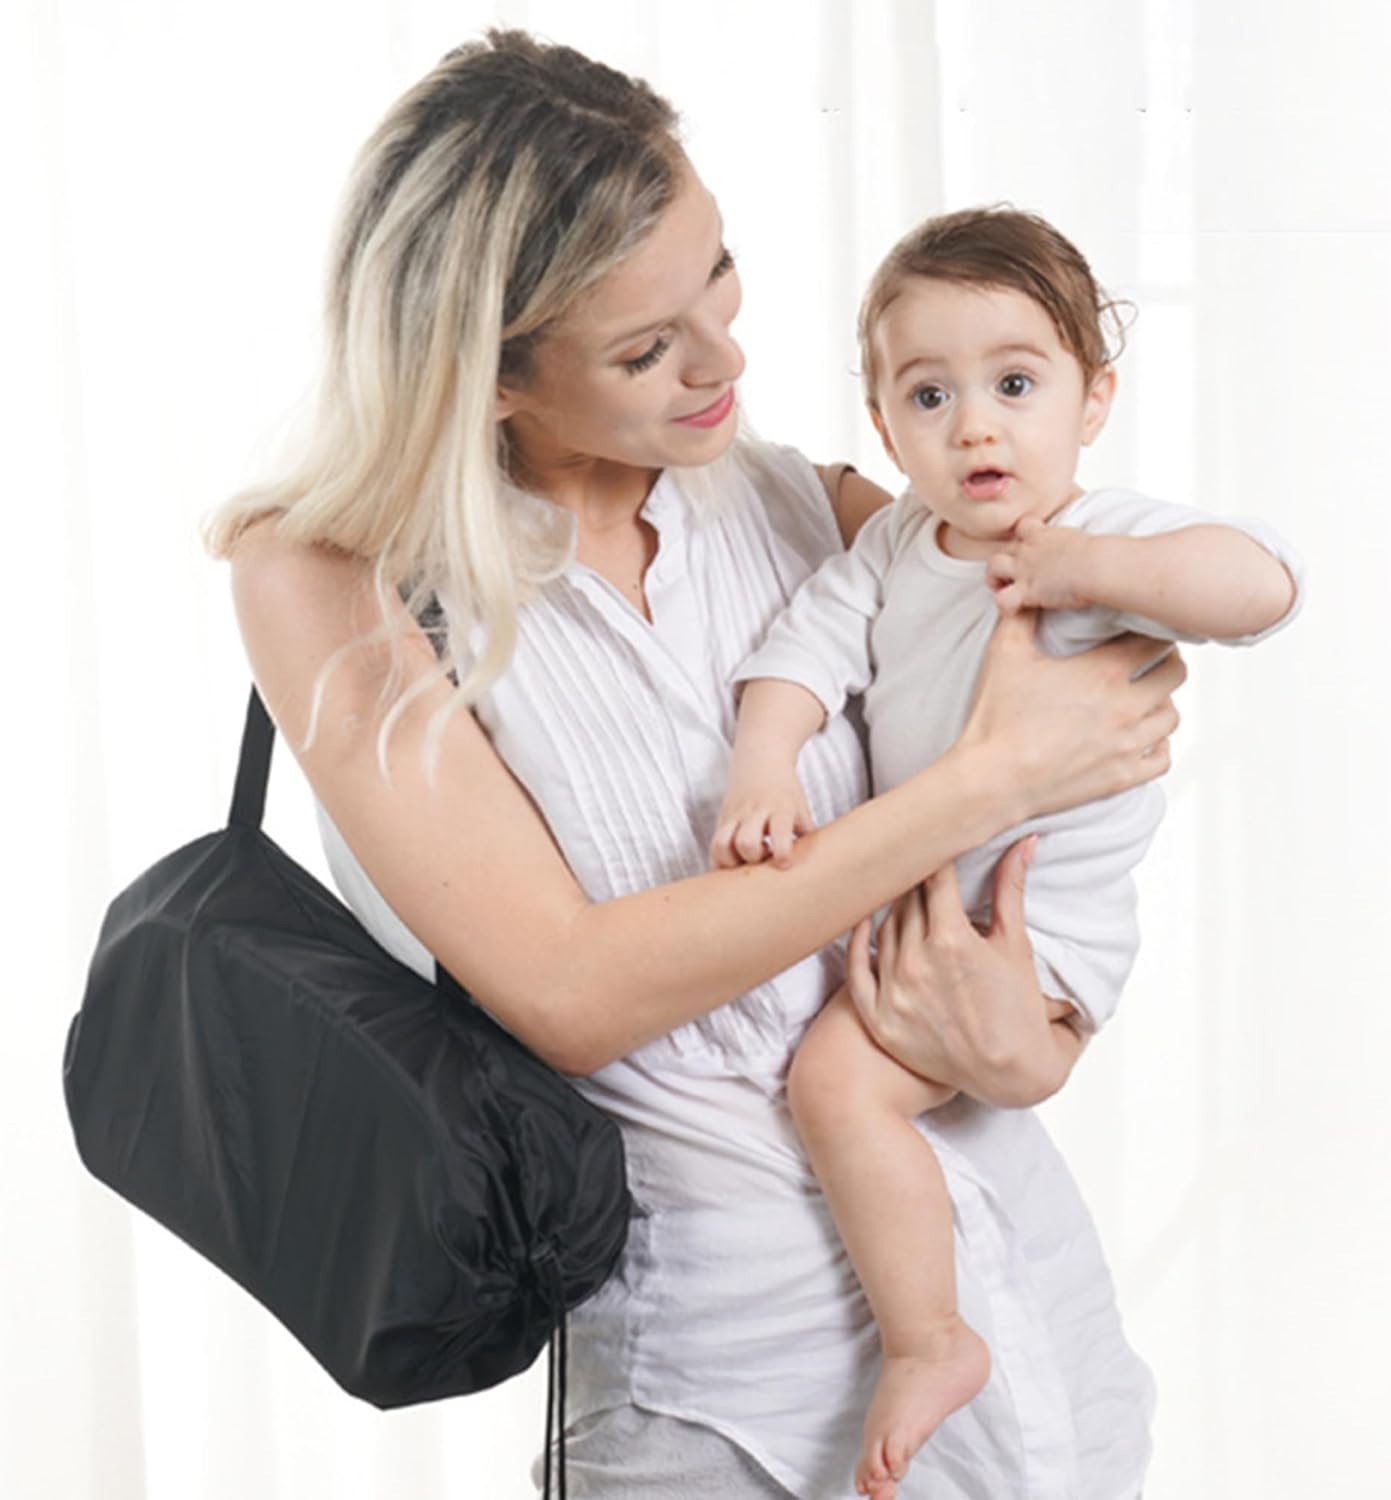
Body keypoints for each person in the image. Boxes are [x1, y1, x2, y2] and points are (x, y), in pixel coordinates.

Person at [210, 30, 1186, 1500]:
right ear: (487, 377)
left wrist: (1036, 1037)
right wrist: (982, 781)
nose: (725, 357)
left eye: (717, 274)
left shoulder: (805, 506)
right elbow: (573, 991)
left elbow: (1091, 749)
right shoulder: (335, 578)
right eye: (644, 348)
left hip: (1026, 1336)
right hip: (718, 1410)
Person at [711, 206, 1304, 1497]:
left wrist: (1101, 566)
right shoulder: (891, 545)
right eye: (931, 395)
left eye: (1016, 385)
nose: (975, 426)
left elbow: (1260, 586)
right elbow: (800, 656)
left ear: (1094, 401)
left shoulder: (1108, 534)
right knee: (837, 1086)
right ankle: (935, 1332)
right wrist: (764, 765)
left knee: (840, 1085)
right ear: (884, 428)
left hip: (1048, 938)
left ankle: (927, 1339)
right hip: (916, 930)